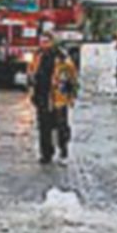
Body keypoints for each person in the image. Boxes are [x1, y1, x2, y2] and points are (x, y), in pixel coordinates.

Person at [29, 34, 78, 165]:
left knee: (60, 127)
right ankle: (46, 154)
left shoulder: (62, 58)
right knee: (44, 127)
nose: (44, 44)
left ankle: (63, 151)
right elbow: (32, 74)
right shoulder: (38, 56)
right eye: (41, 42)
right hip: (42, 97)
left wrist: (70, 96)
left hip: (58, 99)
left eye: (46, 42)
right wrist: (33, 92)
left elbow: (71, 78)